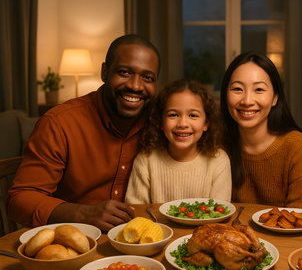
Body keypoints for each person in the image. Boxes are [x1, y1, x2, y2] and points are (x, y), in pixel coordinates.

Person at [7, 34, 160, 232]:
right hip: (74, 242)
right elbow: (19, 199)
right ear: (105, 72)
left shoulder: (161, 122)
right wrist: (82, 214)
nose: (136, 86)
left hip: (141, 240)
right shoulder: (59, 123)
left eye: (147, 78)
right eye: (124, 72)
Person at [220, 52, 302, 209]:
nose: (247, 101)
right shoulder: (217, 144)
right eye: (238, 89)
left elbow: (301, 219)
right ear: (225, 95)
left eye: (259, 89)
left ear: (275, 98)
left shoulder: (298, 146)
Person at [125, 79, 231, 203]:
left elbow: (219, 212)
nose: (182, 124)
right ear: (161, 122)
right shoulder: (146, 160)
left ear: (206, 123)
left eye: (193, 115)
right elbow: (137, 210)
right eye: (173, 115)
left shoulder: (218, 160)